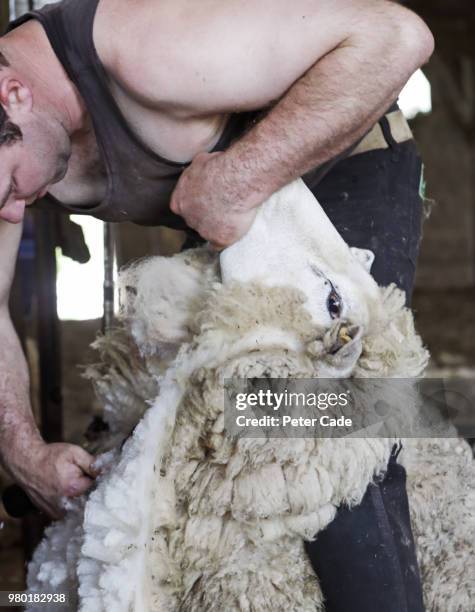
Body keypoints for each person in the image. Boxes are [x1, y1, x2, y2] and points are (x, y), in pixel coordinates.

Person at [0, 0, 433, 609]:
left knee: (314, 428)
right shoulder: (14, 144)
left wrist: (241, 178)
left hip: (340, 170)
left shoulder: (145, 46)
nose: (15, 213)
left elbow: (397, 36)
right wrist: (24, 454)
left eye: (12, 188)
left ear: (13, 93)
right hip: (233, 207)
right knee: (211, 434)